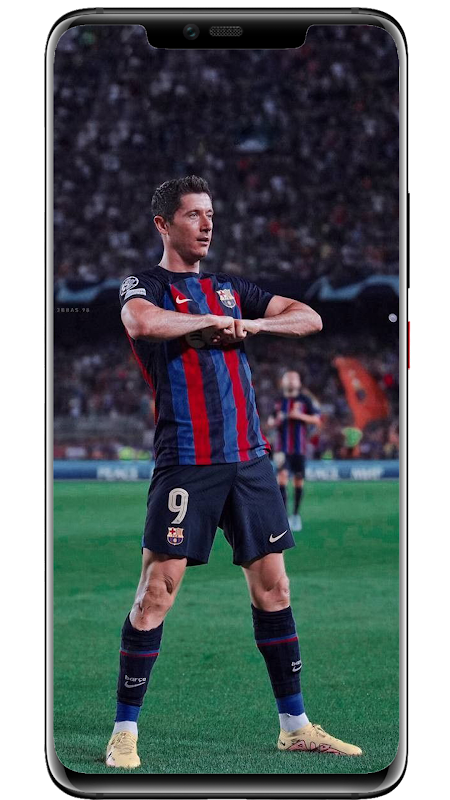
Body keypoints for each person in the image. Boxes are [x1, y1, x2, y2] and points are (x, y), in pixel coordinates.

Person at [106, 176, 362, 768]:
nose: (207, 224)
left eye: (211, 214)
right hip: (186, 461)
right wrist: (203, 325)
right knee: (157, 592)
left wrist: (254, 325)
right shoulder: (144, 285)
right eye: (193, 214)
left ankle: (295, 726)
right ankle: (124, 732)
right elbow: (141, 322)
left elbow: (308, 318)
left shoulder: (230, 289)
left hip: (250, 460)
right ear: (163, 224)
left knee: (275, 589)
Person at [267, 371, 321, 532]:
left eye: (294, 378)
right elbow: (270, 421)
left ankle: (296, 515)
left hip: (299, 448)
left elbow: (316, 419)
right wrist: (276, 420)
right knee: (282, 478)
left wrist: (299, 416)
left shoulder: (305, 400)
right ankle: (284, 518)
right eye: (288, 378)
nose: (291, 381)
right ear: (283, 382)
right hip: (282, 448)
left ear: (298, 382)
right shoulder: (278, 400)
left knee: (298, 480)